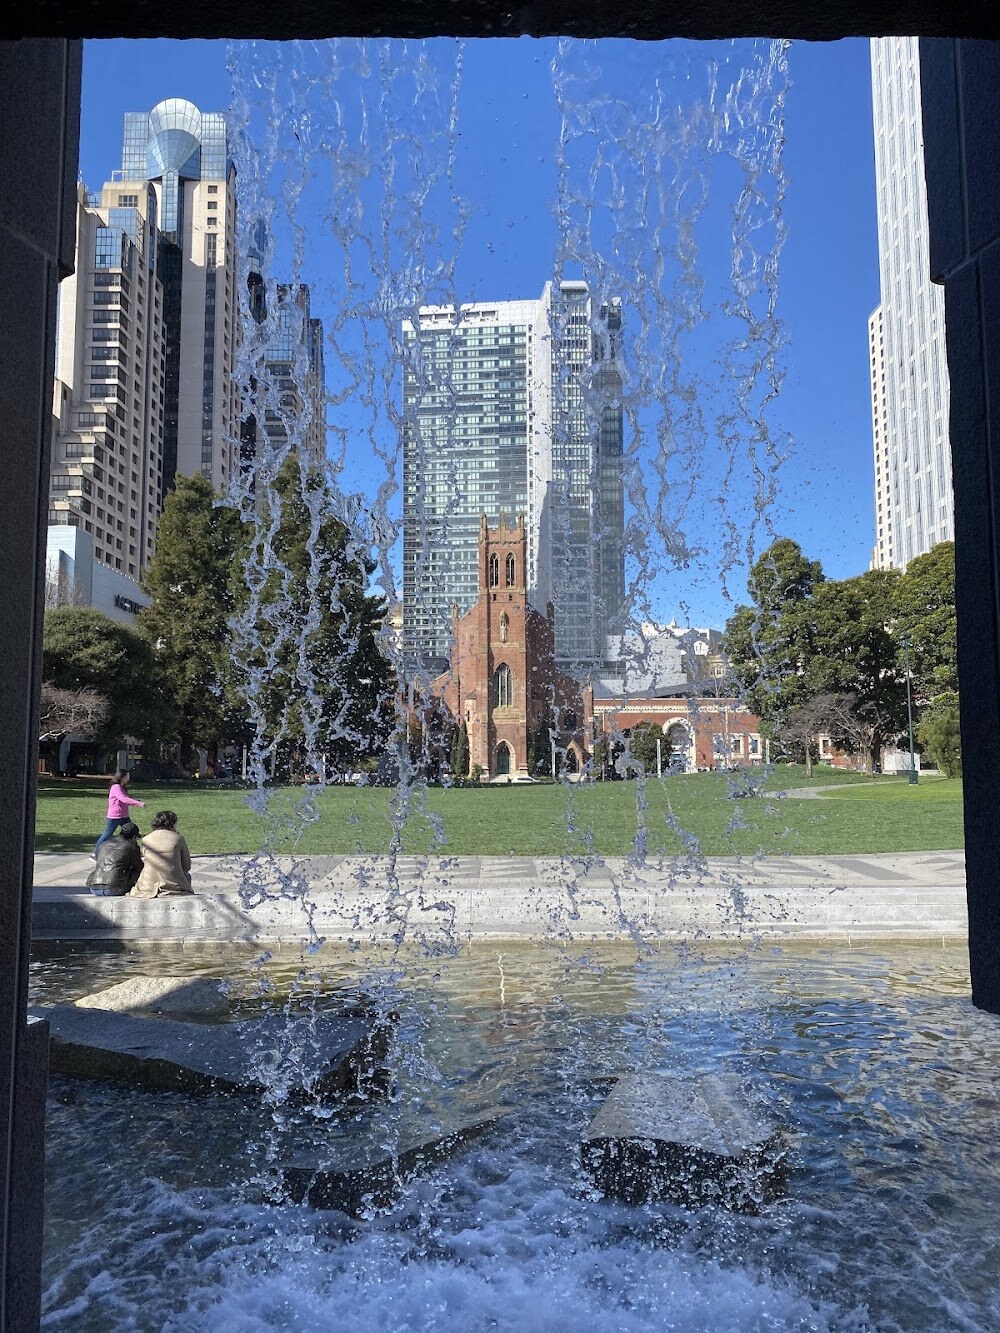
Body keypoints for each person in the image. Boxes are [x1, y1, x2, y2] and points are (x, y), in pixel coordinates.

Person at [131, 810, 192, 898]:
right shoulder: (178, 839)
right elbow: (187, 866)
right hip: (173, 885)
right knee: (187, 876)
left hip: (148, 885)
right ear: (173, 823)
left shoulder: (146, 839)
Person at [91, 770, 145, 860]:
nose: (129, 778)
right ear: (122, 777)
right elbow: (124, 799)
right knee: (107, 835)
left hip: (123, 816)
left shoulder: (122, 787)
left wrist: (136, 801)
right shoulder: (116, 787)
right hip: (115, 816)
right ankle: (95, 853)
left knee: (132, 832)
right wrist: (138, 803)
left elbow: (126, 799)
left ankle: (135, 852)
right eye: (127, 776)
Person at [85, 821, 143, 897]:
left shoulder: (104, 844)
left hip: (94, 887)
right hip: (113, 889)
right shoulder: (131, 846)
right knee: (138, 870)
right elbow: (139, 866)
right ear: (133, 837)